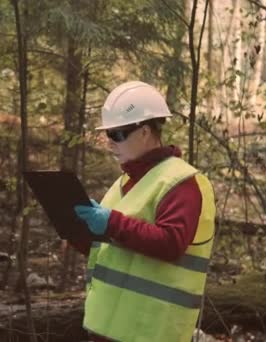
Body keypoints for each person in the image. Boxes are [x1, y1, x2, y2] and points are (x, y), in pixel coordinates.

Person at [72, 81, 216, 342]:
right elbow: (114, 250)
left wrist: (111, 223)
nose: (111, 143)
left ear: (145, 132)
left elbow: (171, 244)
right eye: (108, 135)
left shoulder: (181, 182)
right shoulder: (124, 183)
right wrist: (77, 232)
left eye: (117, 134)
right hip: (108, 326)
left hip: (152, 330)